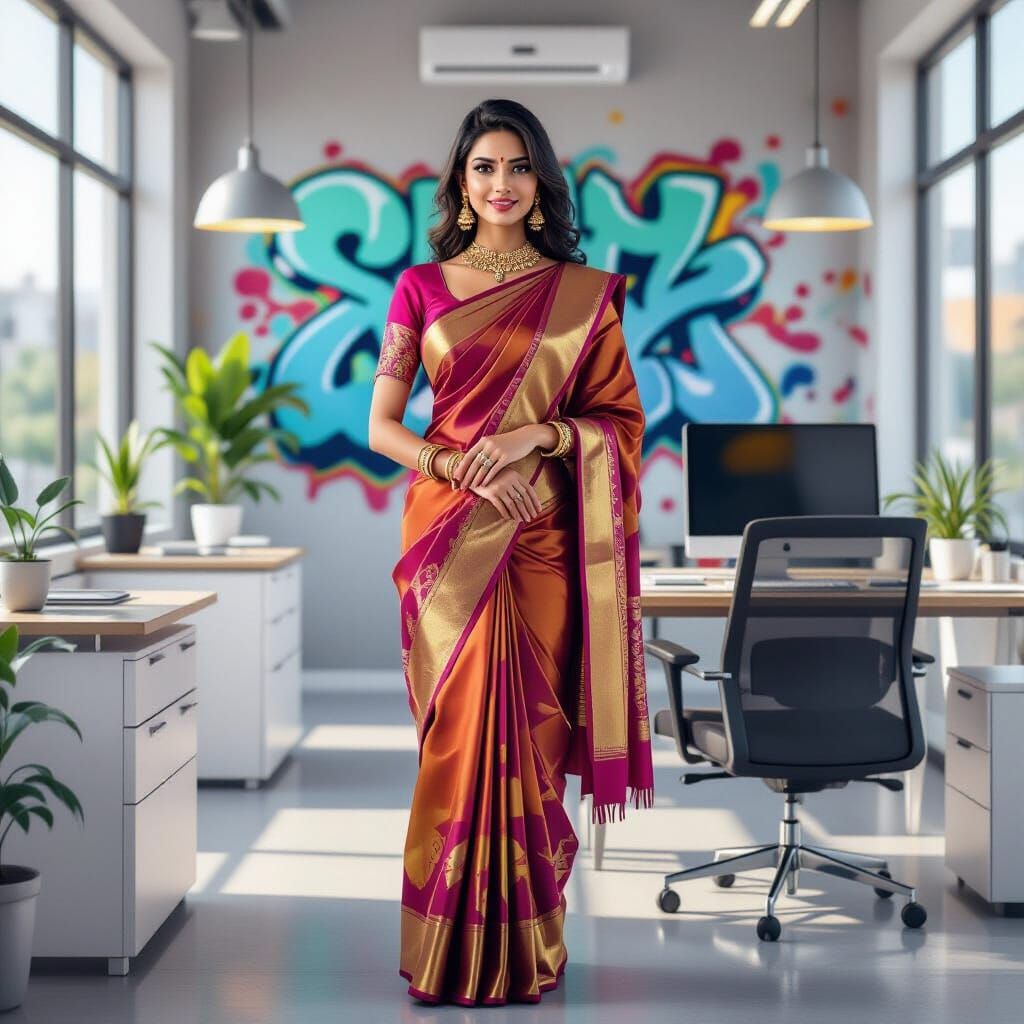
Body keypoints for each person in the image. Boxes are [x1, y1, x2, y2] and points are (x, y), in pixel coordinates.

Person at [367, 98, 653, 1007]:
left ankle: (528, 945)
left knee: (530, 736)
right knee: (456, 739)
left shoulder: (583, 295)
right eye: (485, 166)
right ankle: (445, 949)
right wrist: (457, 465)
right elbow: (381, 427)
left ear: (541, 183)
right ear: (461, 182)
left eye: (519, 166)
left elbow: (621, 424)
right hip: (449, 534)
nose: (501, 183)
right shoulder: (419, 288)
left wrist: (536, 438)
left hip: (541, 539)